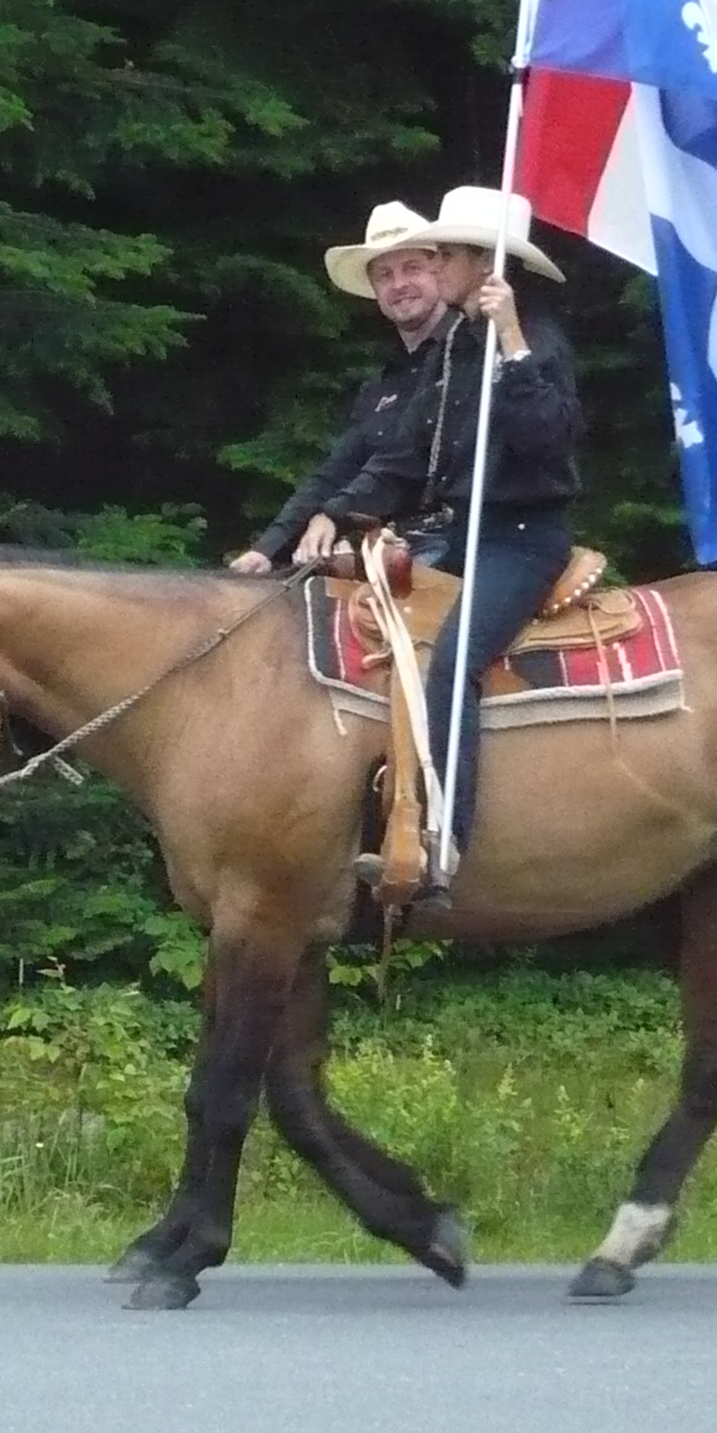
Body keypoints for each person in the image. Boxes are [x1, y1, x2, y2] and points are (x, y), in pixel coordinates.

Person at [254, 186, 583, 904]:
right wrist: (337, 515)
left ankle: (439, 843)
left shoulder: (536, 334)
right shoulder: (455, 348)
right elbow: (401, 456)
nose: (436, 267)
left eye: (448, 256)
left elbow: (550, 439)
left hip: (522, 539)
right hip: (459, 535)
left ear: (479, 264)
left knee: (454, 664)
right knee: (373, 643)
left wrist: (515, 345)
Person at [228, 190, 568, 576]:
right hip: (400, 540)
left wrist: (336, 515)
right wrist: (273, 544)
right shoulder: (393, 379)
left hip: (475, 540)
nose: (399, 284)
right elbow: (348, 466)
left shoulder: (501, 340)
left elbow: (545, 441)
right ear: (373, 290)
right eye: (385, 275)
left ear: (441, 269)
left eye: (414, 267)